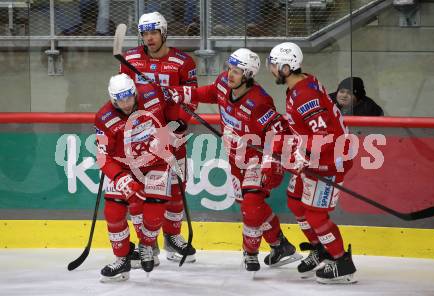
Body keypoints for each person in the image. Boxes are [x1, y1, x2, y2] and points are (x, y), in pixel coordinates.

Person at [170, 48, 302, 272]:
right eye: (230, 68)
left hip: (257, 160)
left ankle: (250, 253)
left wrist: (270, 161)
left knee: (251, 206)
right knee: (253, 205)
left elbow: (278, 133)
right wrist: (180, 93)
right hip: (235, 159)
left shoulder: (259, 102)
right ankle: (281, 245)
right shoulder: (223, 83)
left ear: (248, 75)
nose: (230, 74)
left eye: (237, 71)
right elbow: (209, 92)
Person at [264, 42, 357, 284]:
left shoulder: (304, 94)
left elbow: (324, 136)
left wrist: (299, 157)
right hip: (319, 157)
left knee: (315, 214)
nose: (271, 69)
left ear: (286, 67)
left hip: (329, 161)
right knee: (295, 202)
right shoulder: (301, 84)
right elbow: (306, 126)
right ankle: (319, 248)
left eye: (274, 65)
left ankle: (340, 262)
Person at [119, 11, 198, 265]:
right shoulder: (130, 59)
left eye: (154, 32)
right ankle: (147, 243)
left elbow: (191, 97)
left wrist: (178, 122)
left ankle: (172, 237)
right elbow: (121, 97)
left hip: (174, 135)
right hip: (142, 139)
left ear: (164, 33)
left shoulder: (183, 62)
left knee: (176, 187)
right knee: (144, 192)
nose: (149, 38)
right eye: (144, 33)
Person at [95, 73, 180, 282]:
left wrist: (179, 121)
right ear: (112, 99)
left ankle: (146, 244)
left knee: (154, 213)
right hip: (125, 168)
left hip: (157, 162)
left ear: (134, 93)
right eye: (119, 100)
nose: (125, 104)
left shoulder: (152, 93)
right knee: (113, 211)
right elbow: (102, 155)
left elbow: (174, 105)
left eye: (128, 98)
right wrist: (120, 178)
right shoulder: (103, 117)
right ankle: (122, 258)